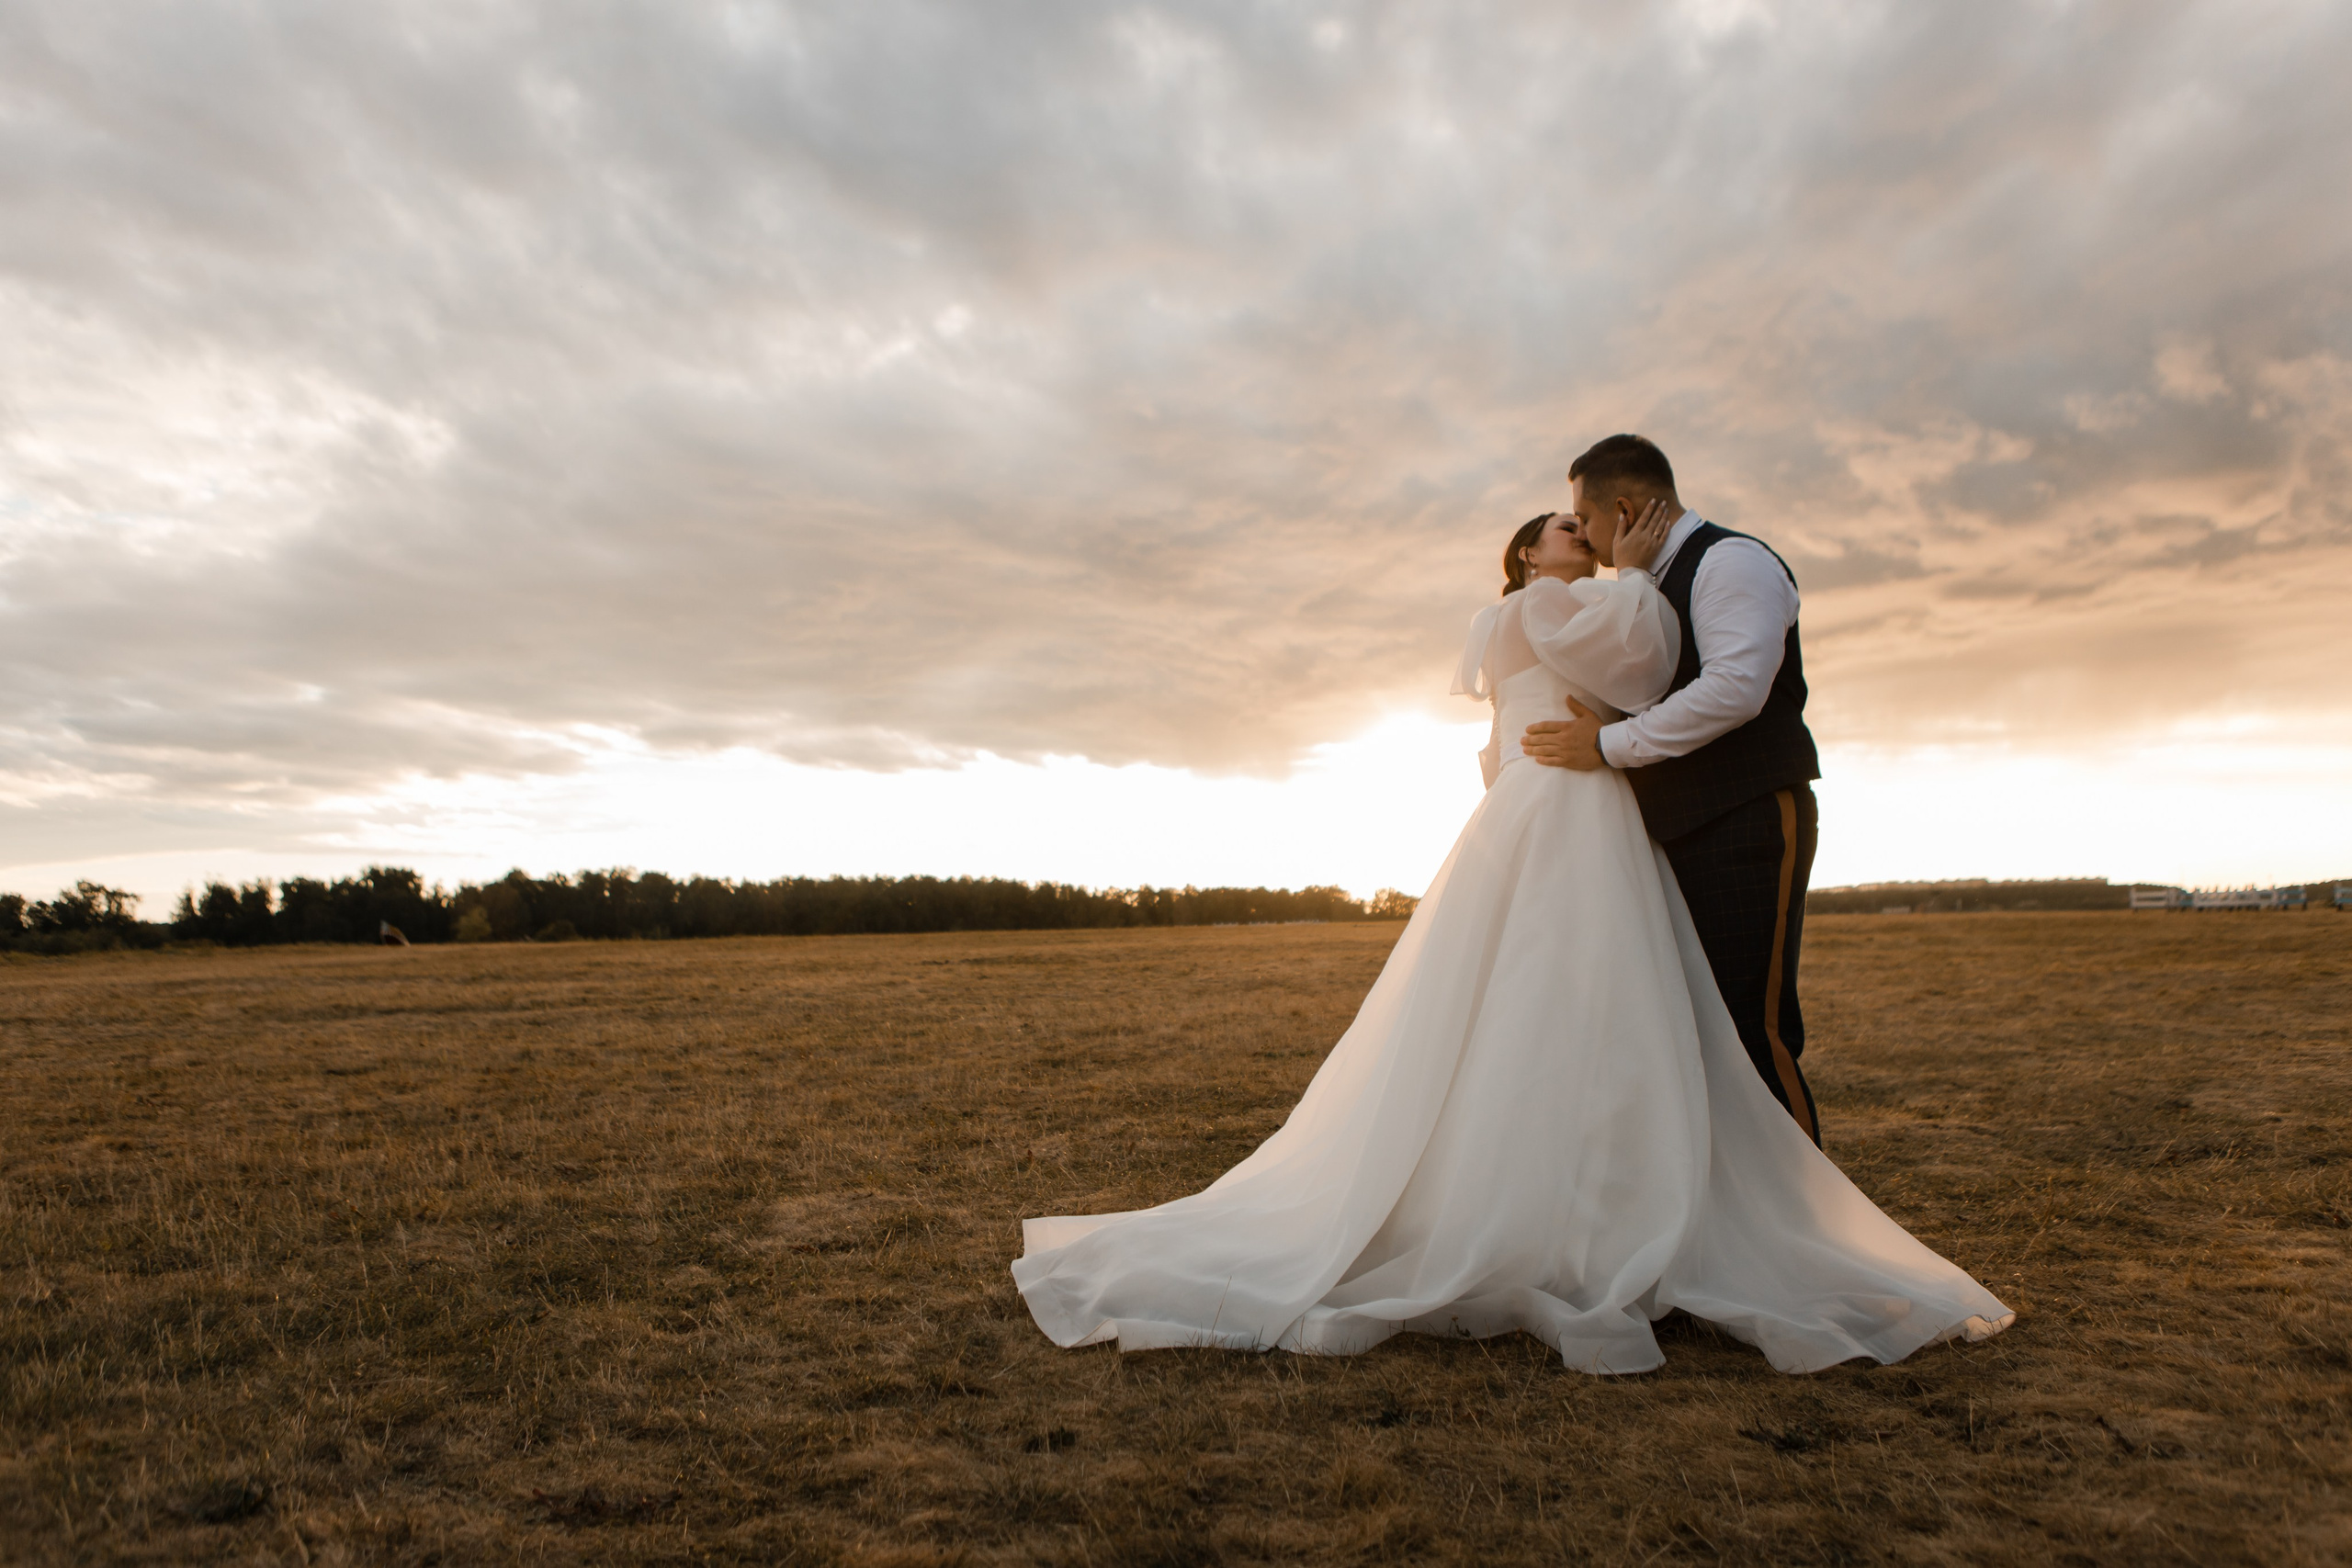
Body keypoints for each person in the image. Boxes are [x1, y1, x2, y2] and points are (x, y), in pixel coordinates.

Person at [1010, 504, 2012, 1374]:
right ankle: (1569, 1219)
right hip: (1570, 800)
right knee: (1557, 991)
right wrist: (1630, 580)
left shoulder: (1544, 614)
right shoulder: (1544, 608)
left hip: (1564, 797)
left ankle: (1598, 1198)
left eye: (1584, 520)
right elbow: (1646, 667)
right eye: (1561, 527)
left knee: (1594, 1001)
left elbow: (1502, 746)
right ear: (1527, 558)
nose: (1578, 531)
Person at [1524, 434, 1825, 1145]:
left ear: (1623, 509)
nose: (1590, 543)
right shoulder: (1642, 587)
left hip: (1745, 818)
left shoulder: (1730, 561)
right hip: (1669, 833)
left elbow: (1734, 689)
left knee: (1753, 1030)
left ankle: (1810, 1224)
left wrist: (1605, 745)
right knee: (1690, 1032)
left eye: (1586, 519)